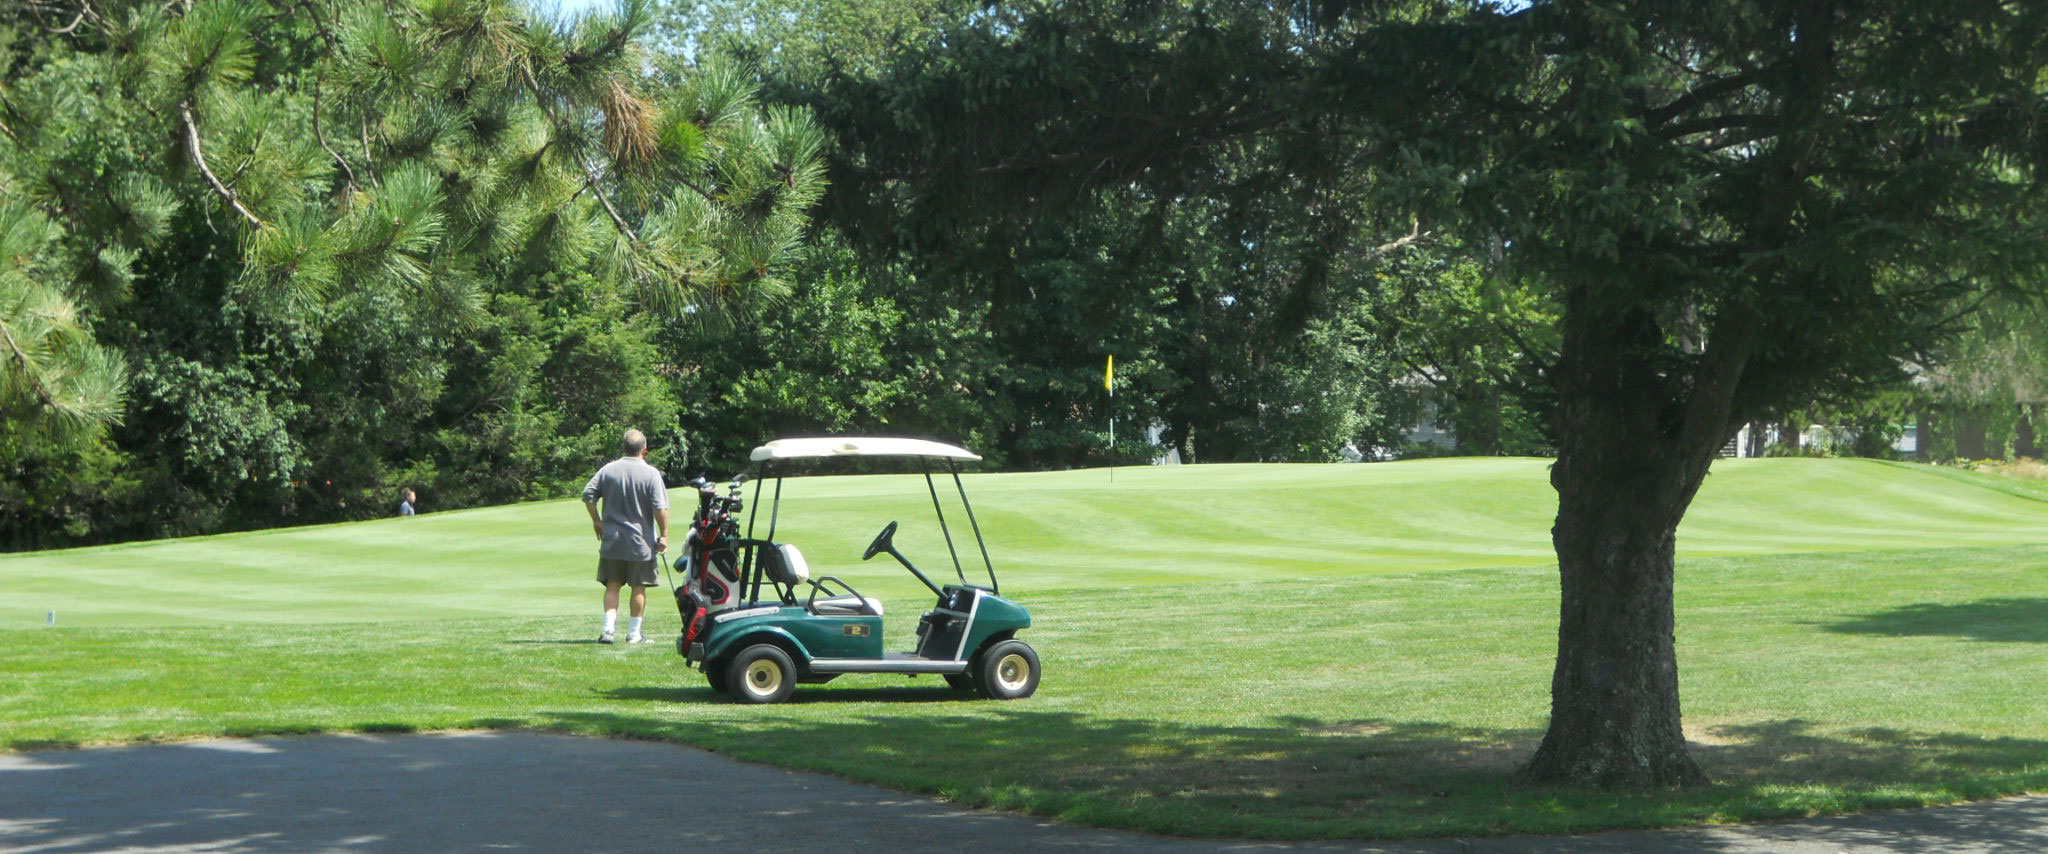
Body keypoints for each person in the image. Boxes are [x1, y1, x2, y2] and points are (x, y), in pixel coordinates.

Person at [582, 429, 670, 644]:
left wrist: (597, 520)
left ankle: (608, 631)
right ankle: (634, 634)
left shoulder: (608, 470)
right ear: (645, 450)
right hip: (641, 542)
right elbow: (660, 508)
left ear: (623, 448)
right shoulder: (651, 473)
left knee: (613, 585)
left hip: (612, 539)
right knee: (638, 588)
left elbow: (588, 495)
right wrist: (665, 534)